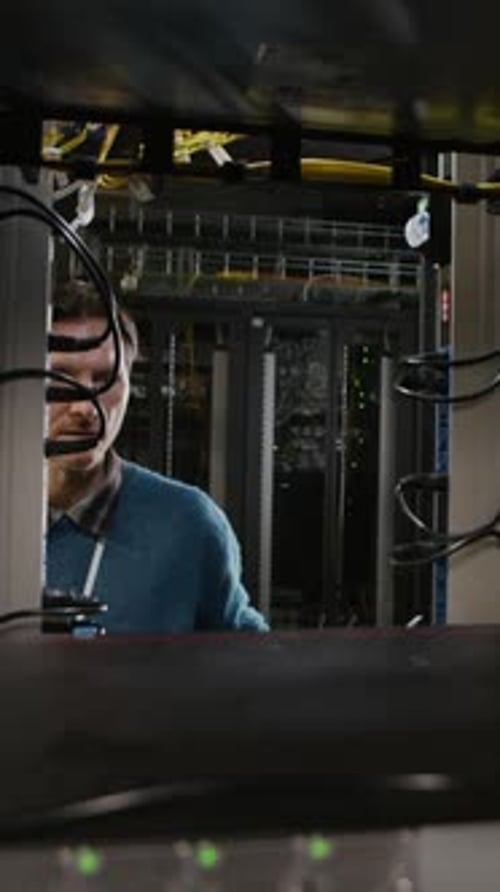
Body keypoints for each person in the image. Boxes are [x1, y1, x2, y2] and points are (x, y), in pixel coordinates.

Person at [45, 280, 268, 634]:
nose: (86, 408)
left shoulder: (189, 526)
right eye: (61, 378)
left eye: (105, 380)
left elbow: (250, 660)